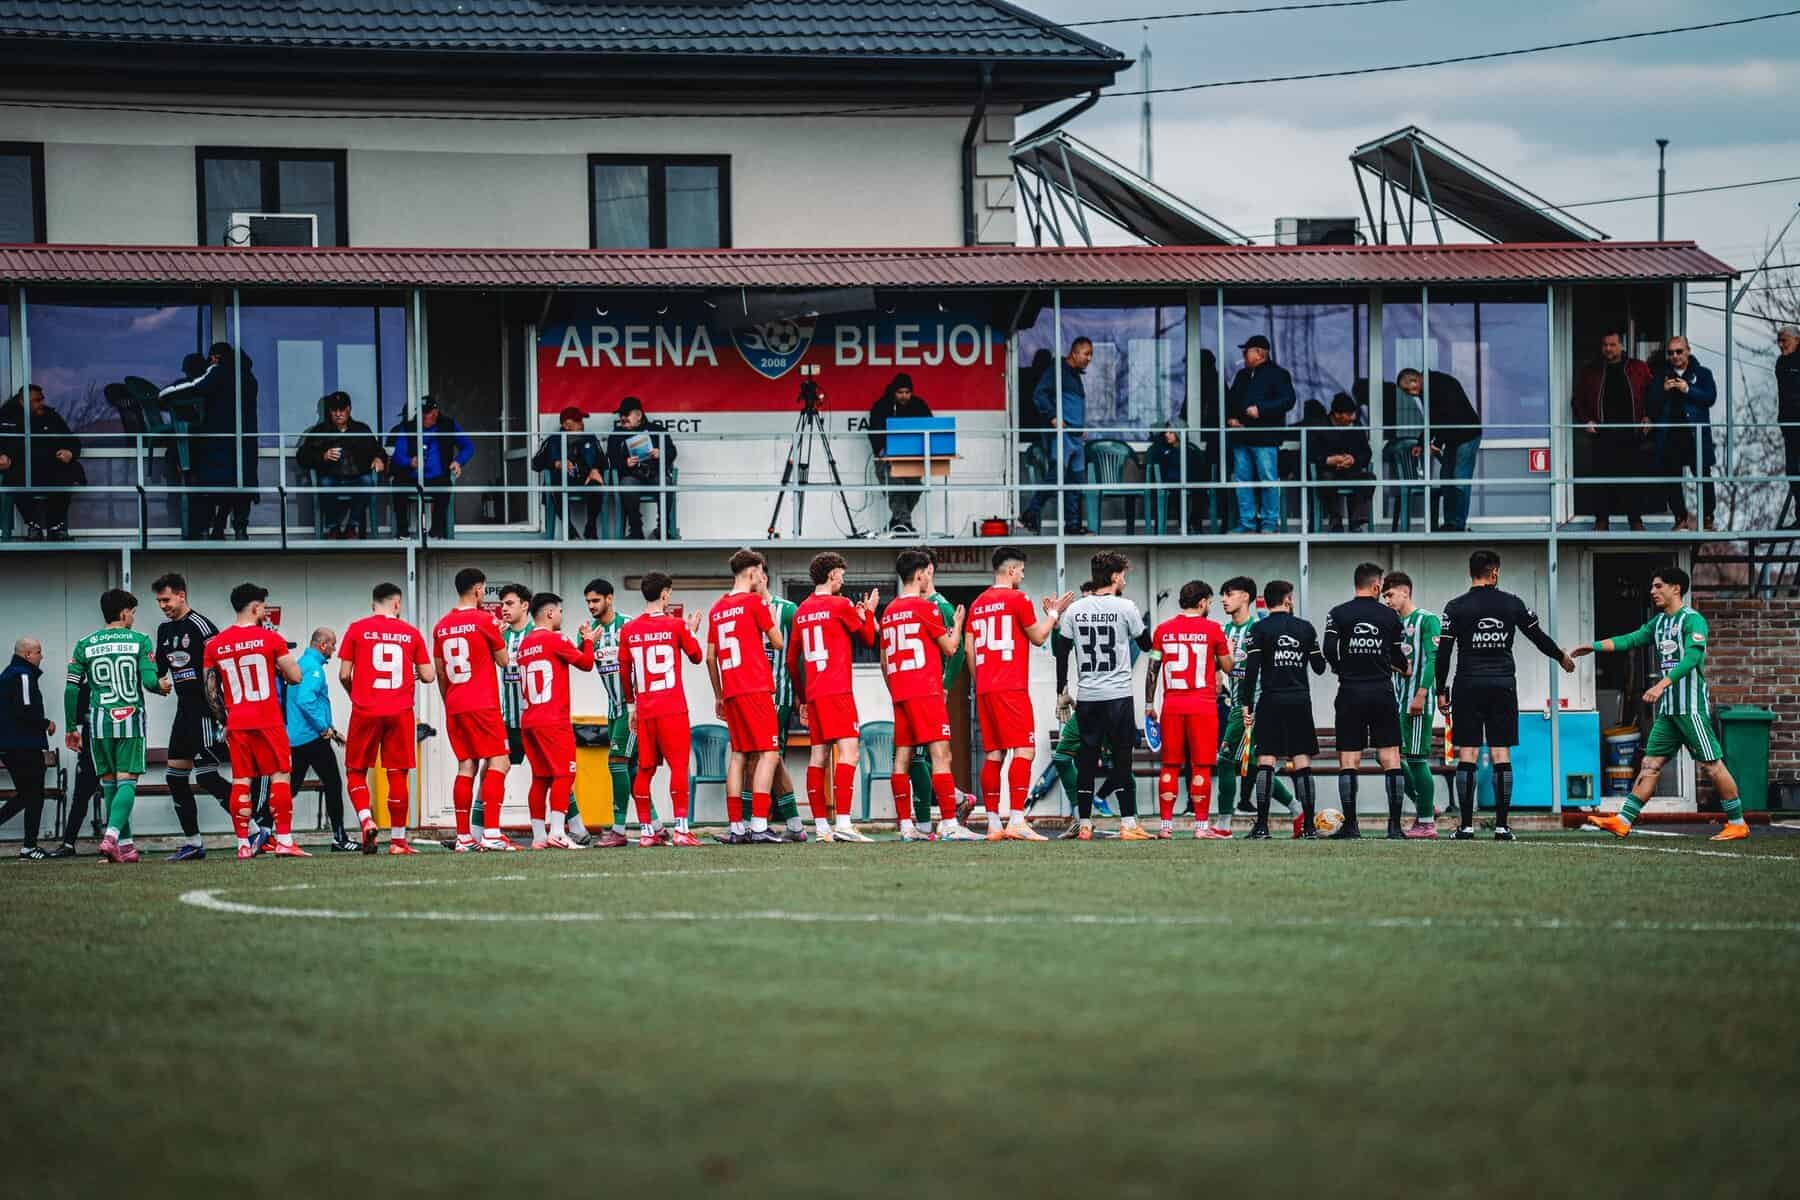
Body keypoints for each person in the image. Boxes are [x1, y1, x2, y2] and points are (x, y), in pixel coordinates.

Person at [1579, 565, 1748, 842]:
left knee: (1712, 765)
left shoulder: (1693, 620)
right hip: (1668, 711)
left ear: (1676, 588)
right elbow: (1630, 639)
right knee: (1650, 764)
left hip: (1690, 708)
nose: (1652, 591)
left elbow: (1692, 659)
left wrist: (1660, 685)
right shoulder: (1658, 623)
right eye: (1652, 586)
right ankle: (1623, 821)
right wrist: (1594, 647)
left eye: (1658, 586)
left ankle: (1738, 822)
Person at [1434, 549, 1576, 841]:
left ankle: (1466, 827)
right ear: (1494, 572)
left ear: (1470, 572)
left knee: (1468, 753)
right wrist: (1561, 656)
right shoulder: (1511, 603)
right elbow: (1538, 637)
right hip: (1502, 685)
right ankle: (1501, 826)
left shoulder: (1455, 607)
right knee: (1501, 752)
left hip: (1468, 684)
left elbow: (1444, 653)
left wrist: (1440, 691)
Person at [967, 545, 1069, 839]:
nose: (1022, 575)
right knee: (1024, 749)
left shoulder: (977, 603)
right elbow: (1038, 637)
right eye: (1021, 570)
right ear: (1011, 571)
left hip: (986, 688)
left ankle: (993, 824)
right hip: (1011, 686)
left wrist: (981, 682)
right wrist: (1052, 613)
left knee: (994, 754)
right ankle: (1016, 820)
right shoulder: (1018, 598)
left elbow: (969, 649)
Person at [203, 583, 305, 858]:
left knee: (240, 780)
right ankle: (284, 840)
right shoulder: (271, 639)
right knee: (281, 774)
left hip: (237, 721)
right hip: (268, 718)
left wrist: (225, 719)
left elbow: (211, 691)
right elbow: (296, 677)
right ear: (256, 607)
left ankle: (243, 845)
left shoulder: (216, 644)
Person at [64, 589, 164, 864]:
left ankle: (127, 847)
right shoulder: (140, 641)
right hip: (130, 718)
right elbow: (151, 682)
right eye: (132, 612)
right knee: (128, 781)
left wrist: (71, 726)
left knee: (110, 785)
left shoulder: (85, 643)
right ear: (123, 613)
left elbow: (72, 689)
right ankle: (111, 836)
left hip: (98, 722)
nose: (133, 617)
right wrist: (163, 686)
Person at [1059, 551, 1151, 840]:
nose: (1124, 579)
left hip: (1088, 696)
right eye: (1123, 574)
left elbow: (1062, 652)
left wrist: (1061, 689)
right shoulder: (1126, 607)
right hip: (1118, 695)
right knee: (1121, 760)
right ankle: (1127, 824)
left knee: (1086, 761)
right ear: (1114, 576)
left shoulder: (1075, 610)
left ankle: (1084, 824)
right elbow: (1146, 644)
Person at [789, 552, 880, 842]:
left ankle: (822, 827)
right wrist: (869, 612)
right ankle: (842, 822)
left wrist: (802, 698)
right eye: (841, 574)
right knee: (849, 753)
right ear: (831, 576)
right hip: (838, 691)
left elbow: (792, 660)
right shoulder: (840, 604)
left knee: (818, 755)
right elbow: (868, 638)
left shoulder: (802, 610)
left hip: (815, 693)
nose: (843, 579)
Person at [879, 548, 969, 842]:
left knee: (901, 759)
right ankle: (950, 823)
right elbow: (951, 648)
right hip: (925, 690)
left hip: (901, 692)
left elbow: (883, 661)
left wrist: (895, 689)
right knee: (941, 754)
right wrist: (958, 624)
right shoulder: (926, 608)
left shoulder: (889, 610)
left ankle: (906, 826)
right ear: (919, 575)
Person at [339, 582, 435, 854]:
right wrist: (411, 673)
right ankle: (398, 841)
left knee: (356, 771)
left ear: (373, 604)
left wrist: (356, 694)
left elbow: (344, 674)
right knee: (397, 775)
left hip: (365, 709)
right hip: (400, 710)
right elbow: (428, 675)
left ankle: (367, 819)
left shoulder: (357, 629)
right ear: (397, 604)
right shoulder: (411, 633)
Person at [152, 573, 238, 860]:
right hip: (183, 712)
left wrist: (222, 712)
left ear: (181, 595)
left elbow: (222, 668)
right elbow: (160, 671)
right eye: (159, 601)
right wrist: (156, 682)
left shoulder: (202, 625)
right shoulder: (164, 631)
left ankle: (253, 831)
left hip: (205, 709)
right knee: (175, 778)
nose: (162, 605)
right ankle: (193, 843)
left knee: (207, 776)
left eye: (166, 599)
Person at [706, 549, 789, 844]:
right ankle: (758, 824)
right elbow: (778, 642)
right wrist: (765, 599)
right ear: (753, 572)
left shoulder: (717, 608)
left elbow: (709, 657)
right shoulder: (754, 602)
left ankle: (737, 827)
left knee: (739, 755)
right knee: (769, 752)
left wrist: (719, 695)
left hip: (731, 690)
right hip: (754, 687)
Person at [1322, 562, 1410, 840]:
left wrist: (1341, 667)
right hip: (1382, 691)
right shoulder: (1390, 616)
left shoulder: (1337, 613)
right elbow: (1399, 658)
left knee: (1349, 759)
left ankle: (1351, 827)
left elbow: (1328, 649)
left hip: (1350, 691)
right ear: (1375, 585)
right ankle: (1394, 827)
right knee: (1391, 757)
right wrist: (1396, 664)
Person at [433, 568, 516, 853]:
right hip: (483, 703)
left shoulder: (441, 625)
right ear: (478, 590)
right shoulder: (484, 620)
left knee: (466, 765)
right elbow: (504, 661)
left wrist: (449, 702)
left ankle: (463, 837)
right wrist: (498, 634)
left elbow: (441, 672)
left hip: (455, 703)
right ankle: (492, 834)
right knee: (499, 762)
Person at [620, 572, 705, 845]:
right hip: (672, 707)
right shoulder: (676, 625)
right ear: (665, 594)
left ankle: (646, 832)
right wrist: (691, 630)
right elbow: (697, 656)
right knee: (679, 766)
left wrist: (632, 706)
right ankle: (681, 829)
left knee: (644, 769)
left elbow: (624, 672)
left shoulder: (629, 629)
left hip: (645, 709)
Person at [1239, 580, 1327, 839]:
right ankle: (1309, 827)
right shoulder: (1305, 629)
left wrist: (1247, 705)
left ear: (1266, 602)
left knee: (1266, 759)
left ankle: (1262, 826)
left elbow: (1251, 671)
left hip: (1271, 700)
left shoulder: (1259, 629)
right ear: (1288, 600)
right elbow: (1320, 667)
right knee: (1301, 761)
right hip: (1300, 700)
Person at [1145, 580, 1232, 839]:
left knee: (1170, 765)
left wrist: (1149, 704)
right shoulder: (1213, 630)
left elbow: (1153, 670)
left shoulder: (1163, 630)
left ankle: (1166, 827)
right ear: (1203, 602)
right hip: (1202, 706)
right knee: (1201, 766)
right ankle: (1201, 827)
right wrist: (1229, 653)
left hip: (1172, 705)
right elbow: (1228, 667)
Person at [1212, 576, 1295, 835]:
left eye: (1230, 594)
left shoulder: (1260, 628)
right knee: (1258, 766)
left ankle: (1224, 824)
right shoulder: (1224, 631)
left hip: (1257, 706)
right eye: (1223, 595)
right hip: (1237, 705)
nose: (1224, 599)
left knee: (1225, 760)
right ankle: (1298, 809)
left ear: (1246, 596)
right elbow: (1222, 668)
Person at [517, 592, 597, 850]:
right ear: (550, 613)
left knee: (540, 778)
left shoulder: (524, 644)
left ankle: (539, 836)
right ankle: (558, 833)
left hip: (529, 719)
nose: (562, 615)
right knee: (564, 775)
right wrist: (588, 641)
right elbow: (585, 664)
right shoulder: (555, 639)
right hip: (553, 720)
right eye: (560, 611)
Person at [158, 342, 259, 540]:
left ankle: (211, 530)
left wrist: (162, 394)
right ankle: (238, 530)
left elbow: (193, 387)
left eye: (211, 358)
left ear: (216, 358)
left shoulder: (219, 373)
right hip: (245, 444)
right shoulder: (249, 378)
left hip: (221, 442)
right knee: (240, 486)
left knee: (214, 487)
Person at [735, 579, 808, 842]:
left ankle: (751, 823)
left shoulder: (787, 610)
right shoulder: (740, 608)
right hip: (748, 694)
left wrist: (802, 694)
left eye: (754, 576)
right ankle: (792, 823)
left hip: (777, 696)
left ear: (763, 577)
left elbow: (799, 653)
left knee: (761, 757)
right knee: (768, 758)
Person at [1379, 571, 1444, 838]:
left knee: (1416, 759)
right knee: (1386, 758)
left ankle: (1427, 823)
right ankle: (1425, 805)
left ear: (1405, 592)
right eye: (1384, 596)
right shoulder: (1392, 624)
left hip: (1417, 702)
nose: (1387, 601)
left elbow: (1434, 660)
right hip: (1395, 702)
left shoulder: (1427, 620)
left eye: (1390, 595)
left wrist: (1421, 693)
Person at [1572, 332, 1651, 531]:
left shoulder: (1638, 368)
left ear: (1621, 346)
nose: (1608, 349)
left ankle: (1635, 521)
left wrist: (1649, 417)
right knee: (1601, 480)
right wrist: (1586, 420)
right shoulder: (1591, 371)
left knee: (1632, 479)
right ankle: (1601, 521)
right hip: (1603, 434)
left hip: (1631, 433)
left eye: (1613, 345)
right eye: (1605, 345)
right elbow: (1577, 400)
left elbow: (1653, 394)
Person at [285, 626, 353, 852]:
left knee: (289, 788)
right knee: (333, 784)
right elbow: (306, 701)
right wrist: (324, 728)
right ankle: (340, 838)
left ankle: (264, 831)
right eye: (332, 645)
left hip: (297, 738)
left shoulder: (301, 664)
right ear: (323, 644)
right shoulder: (314, 668)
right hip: (312, 739)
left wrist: (331, 730)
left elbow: (309, 702)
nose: (334, 651)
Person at [583, 578, 637, 848]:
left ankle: (618, 828)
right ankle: (657, 825)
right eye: (588, 602)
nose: (592, 606)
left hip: (633, 709)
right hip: (613, 709)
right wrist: (585, 643)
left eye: (596, 600)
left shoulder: (628, 625)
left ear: (610, 598)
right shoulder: (590, 630)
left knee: (616, 762)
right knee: (635, 769)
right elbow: (581, 662)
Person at [1394, 367, 1481, 532]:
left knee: (1459, 479)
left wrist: (1437, 443)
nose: (1408, 394)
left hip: (1467, 435)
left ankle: (1458, 524)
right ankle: (1450, 523)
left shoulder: (1439, 385)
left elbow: (1448, 416)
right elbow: (1433, 420)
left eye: (1407, 390)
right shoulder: (1427, 389)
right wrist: (1422, 443)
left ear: (1415, 381)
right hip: (1454, 437)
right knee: (1447, 477)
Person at [1224, 335, 1296, 534]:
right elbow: (1230, 401)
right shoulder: (1242, 376)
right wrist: (1231, 419)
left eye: (1246, 351)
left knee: (1267, 479)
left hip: (1265, 438)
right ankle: (1247, 523)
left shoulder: (1278, 374)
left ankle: (1269, 523)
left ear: (1258, 353)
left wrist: (1261, 410)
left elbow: (1288, 400)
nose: (1243, 355)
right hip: (1241, 438)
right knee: (1242, 481)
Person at [1021, 337, 1091, 536]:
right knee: (1057, 475)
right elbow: (1039, 395)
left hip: (1076, 436)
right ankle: (1030, 513)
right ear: (1074, 352)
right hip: (1063, 436)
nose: (1089, 358)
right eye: (1086, 354)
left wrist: (1080, 426)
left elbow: (1071, 404)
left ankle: (1073, 525)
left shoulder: (1075, 374)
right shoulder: (1057, 370)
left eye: (1090, 354)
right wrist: (1052, 417)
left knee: (1075, 482)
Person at [296, 391, 387, 539]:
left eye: (342, 409)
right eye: (334, 410)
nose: (338, 414)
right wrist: (322, 456)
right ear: (329, 411)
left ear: (349, 409)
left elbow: (379, 450)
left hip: (356, 477)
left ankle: (352, 526)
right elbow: (302, 456)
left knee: (367, 481)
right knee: (324, 483)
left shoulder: (361, 429)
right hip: (331, 477)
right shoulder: (320, 431)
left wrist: (378, 458)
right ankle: (333, 527)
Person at [1651, 336, 1718, 532]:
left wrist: (1688, 389)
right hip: (1671, 434)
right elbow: (1652, 406)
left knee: (1703, 475)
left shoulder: (1703, 373)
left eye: (1679, 351)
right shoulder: (1660, 376)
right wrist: (1663, 391)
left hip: (1695, 434)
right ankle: (1680, 518)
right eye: (1671, 353)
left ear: (1688, 350)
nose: (1675, 356)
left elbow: (1710, 398)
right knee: (1671, 477)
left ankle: (1707, 518)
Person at [0, 385, 83, 541]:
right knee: (15, 479)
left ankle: (55, 526)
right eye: (37, 400)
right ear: (22, 401)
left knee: (67, 475)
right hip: (20, 466)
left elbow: (73, 441)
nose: (41, 403)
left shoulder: (50, 416)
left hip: (51, 464)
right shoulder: (5, 417)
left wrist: (69, 452)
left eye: (42, 399)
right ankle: (34, 526)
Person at [486, 582, 534, 842]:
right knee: (491, 770)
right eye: (502, 604)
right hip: (508, 721)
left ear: (525, 606)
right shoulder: (500, 636)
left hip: (536, 721)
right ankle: (477, 831)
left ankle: (574, 828)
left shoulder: (537, 633)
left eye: (510, 604)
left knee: (553, 772)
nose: (503, 609)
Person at [388, 397, 474, 539]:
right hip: (412, 476)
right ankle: (403, 533)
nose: (422, 417)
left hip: (437, 477)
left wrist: (458, 461)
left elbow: (468, 447)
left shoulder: (448, 425)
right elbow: (398, 454)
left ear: (435, 413)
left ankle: (435, 533)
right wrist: (410, 462)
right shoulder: (408, 427)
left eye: (426, 413)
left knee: (445, 486)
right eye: (420, 413)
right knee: (398, 484)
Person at [0, 637, 54, 858]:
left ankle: (29, 846)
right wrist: (46, 723)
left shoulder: (9, 673)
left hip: (12, 745)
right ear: (28, 655)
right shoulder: (22, 675)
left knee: (26, 795)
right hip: (22, 745)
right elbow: (25, 709)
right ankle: (29, 846)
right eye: (39, 652)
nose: (42, 656)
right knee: (34, 794)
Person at [866, 373, 933, 534]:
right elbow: (874, 430)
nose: (904, 396)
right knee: (896, 487)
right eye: (900, 392)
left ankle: (897, 522)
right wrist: (880, 449)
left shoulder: (919, 405)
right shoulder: (882, 406)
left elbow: (931, 425)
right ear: (893, 392)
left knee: (916, 488)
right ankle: (905, 525)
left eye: (907, 392)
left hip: (911, 459)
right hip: (886, 459)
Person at [606, 396, 678, 541]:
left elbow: (672, 452)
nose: (623, 418)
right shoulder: (615, 435)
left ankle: (663, 529)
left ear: (639, 415)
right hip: (631, 475)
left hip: (654, 473)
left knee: (665, 482)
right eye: (621, 415)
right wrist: (625, 462)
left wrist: (660, 453)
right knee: (627, 485)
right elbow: (611, 461)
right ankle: (636, 530)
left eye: (627, 414)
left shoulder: (657, 430)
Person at [532, 406, 606, 540]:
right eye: (578, 421)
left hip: (585, 480)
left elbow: (604, 462)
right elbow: (535, 463)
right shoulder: (553, 440)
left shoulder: (590, 438)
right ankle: (570, 532)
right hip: (563, 481)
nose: (582, 424)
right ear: (566, 425)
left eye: (581, 420)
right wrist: (557, 463)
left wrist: (595, 469)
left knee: (596, 484)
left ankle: (591, 528)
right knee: (555, 484)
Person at [1309, 393, 1375, 532]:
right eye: (1349, 414)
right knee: (1327, 479)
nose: (1353, 417)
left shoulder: (1356, 426)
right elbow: (1310, 453)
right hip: (1328, 471)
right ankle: (1335, 520)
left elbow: (1366, 453)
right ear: (1337, 415)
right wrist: (1329, 460)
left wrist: (1353, 459)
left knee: (1369, 478)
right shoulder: (1320, 426)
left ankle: (1357, 520)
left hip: (1351, 470)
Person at [1778, 325, 1800, 528]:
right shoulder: (1782, 362)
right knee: (1793, 471)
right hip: (1790, 424)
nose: (1781, 345)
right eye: (1779, 340)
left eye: (1785, 340)